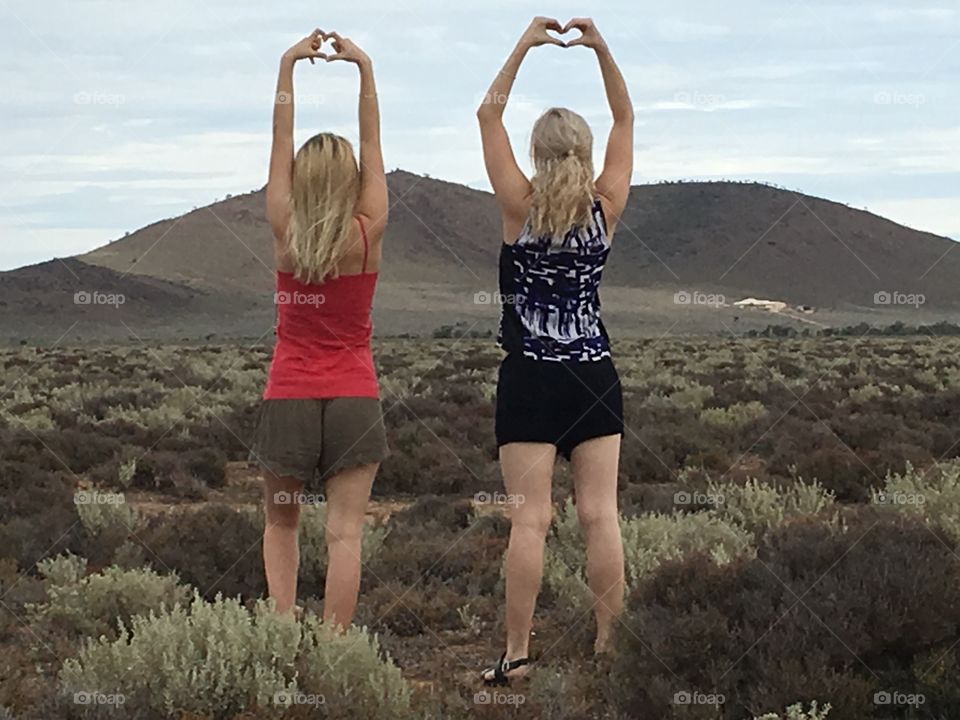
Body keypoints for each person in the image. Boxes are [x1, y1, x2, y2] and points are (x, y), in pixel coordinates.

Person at [476, 17, 634, 684]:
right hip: (594, 374)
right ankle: (610, 647)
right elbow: (626, 115)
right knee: (601, 515)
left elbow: (488, 111)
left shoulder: (519, 204)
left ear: (537, 155)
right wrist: (600, 48)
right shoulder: (607, 205)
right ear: (585, 151)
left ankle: (516, 654)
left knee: (529, 522)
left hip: (531, 381)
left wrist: (525, 43)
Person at [251, 29, 388, 629]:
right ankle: (334, 650)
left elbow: (281, 140)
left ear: (301, 182)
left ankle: (282, 632)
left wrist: (288, 67)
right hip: (356, 393)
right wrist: (363, 69)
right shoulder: (369, 231)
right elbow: (373, 141)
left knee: (281, 522)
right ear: (353, 182)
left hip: (291, 392)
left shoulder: (285, 229)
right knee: (345, 535)